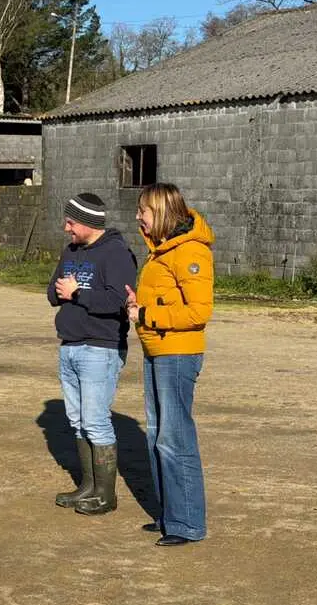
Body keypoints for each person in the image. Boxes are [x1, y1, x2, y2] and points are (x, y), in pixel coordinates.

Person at [125, 183, 214, 547]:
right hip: (157, 349)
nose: (138, 217)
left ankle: (187, 523)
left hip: (177, 354)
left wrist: (147, 312)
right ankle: (169, 515)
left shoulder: (190, 251)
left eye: (143, 211)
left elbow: (198, 311)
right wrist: (139, 304)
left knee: (175, 439)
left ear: (160, 211)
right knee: (158, 435)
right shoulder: (160, 252)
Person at [48, 193, 136, 516]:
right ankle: (87, 486)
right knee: (77, 421)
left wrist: (78, 293)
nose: (66, 227)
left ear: (87, 222)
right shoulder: (70, 252)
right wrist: (64, 291)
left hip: (100, 347)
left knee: (96, 421)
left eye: (71, 221)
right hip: (69, 344)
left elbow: (118, 302)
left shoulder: (116, 253)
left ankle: (105, 494)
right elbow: (52, 292)